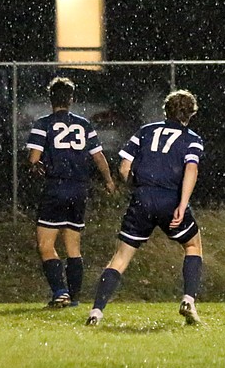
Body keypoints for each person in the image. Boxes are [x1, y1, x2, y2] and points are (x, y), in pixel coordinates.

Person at [86, 89, 204, 327]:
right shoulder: (192, 138)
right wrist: (182, 204)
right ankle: (188, 300)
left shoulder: (146, 131)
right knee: (192, 245)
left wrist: (139, 188)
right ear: (191, 114)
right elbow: (191, 169)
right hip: (170, 199)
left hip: (142, 197)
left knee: (120, 258)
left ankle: (96, 311)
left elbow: (123, 168)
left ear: (166, 110)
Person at [26, 77, 116, 308]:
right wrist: (108, 180)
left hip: (56, 187)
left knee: (45, 244)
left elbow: (34, 158)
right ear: (71, 100)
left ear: (50, 99)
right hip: (79, 189)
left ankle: (60, 292)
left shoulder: (43, 123)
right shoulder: (83, 124)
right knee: (73, 246)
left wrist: (37, 167)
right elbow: (98, 156)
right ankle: (74, 297)